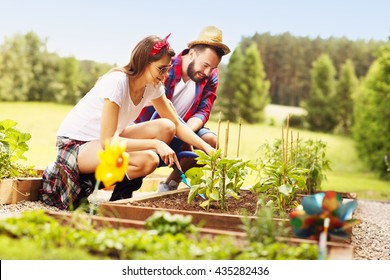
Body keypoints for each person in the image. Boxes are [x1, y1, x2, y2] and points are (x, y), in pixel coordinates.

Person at [39, 33, 214, 210]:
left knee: (166, 127)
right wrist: (156, 144)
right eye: (161, 69)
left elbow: (176, 124)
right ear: (144, 62)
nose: (165, 75)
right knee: (149, 159)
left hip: (107, 138)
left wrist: (207, 148)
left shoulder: (153, 86)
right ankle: (88, 183)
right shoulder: (117, 82)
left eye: (168, 69)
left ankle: (118, 202)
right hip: (75, 145)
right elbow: (108, 142)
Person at [135, 26, 230, 193]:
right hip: (150, 128)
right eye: (205, 65)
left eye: (212, 68)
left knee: (210, 141)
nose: (208, 72)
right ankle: (125, 185)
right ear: (192, 53)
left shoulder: (210, 77)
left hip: (181, 129)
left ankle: (168, 186)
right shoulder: (166, 66)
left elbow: (203, 111)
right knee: (164, 130)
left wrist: (188, 134)